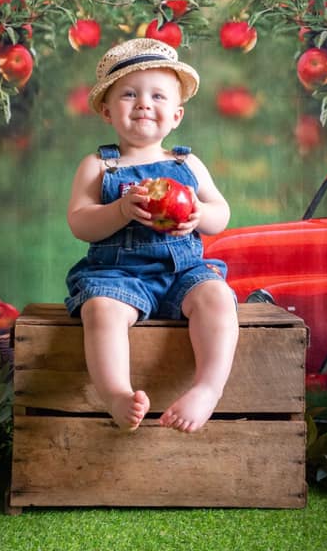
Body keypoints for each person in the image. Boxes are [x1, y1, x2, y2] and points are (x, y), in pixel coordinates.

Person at [64, 38, 239, 433]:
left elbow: (221, 214)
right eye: (129, 94)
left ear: (176, 115)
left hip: (183, 272)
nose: (144, 103)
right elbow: (79, 222)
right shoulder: (99, 165)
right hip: (118, 276)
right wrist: (120, 210)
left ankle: (208, 389)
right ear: (107, 111)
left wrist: (198, 214)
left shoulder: (186, 163)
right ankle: (116, 394)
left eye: (157, 96)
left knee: (217, 297)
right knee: (100, 310)